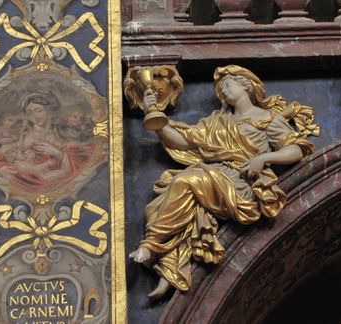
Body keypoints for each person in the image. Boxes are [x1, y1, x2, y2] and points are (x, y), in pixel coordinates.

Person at [130, 65, 315, 300]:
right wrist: (153, 115)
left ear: (246, 85)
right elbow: (182, 141)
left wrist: (263, 158)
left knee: (185, 181)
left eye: (228, 85)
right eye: (220, 89)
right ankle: (169, 267)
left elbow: (296, 149)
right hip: (213, 176)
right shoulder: (217, 121)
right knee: (163, 201)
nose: (223, 91)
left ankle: (151, 244)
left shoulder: (267, 118)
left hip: (242, 182)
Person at [0, 91, 95, 192]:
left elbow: (81, 161)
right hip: (22, 180)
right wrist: (2, 168)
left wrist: (57, 153)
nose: (34, 116)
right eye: (29, 112)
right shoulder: (21, 135)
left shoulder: (64, 134)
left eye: (38, 110)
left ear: (51, 111)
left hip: (54, 184)